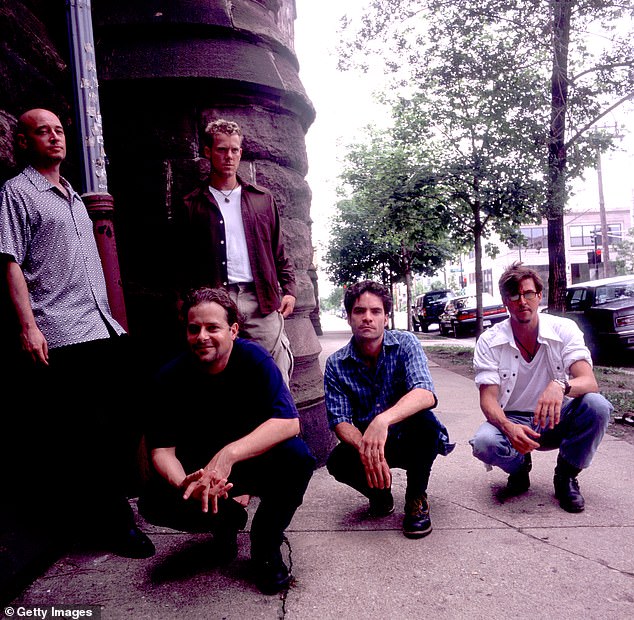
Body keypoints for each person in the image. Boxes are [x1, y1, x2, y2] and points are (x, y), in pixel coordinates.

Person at [0, 108, 155, 558]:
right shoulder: (17, 193)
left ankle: (105, 510)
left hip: (101, 324)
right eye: (42, 132)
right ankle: (111, 523)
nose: (54, 138)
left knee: (132, 412)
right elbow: (8, 260)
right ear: (24, 141)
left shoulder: (71, 195)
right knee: (84, 433)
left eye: (58, 130)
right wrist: (28, 327)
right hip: (60, 330)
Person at [139, 287, 315, 594]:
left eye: (213, 328)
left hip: (248, 463)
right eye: (194, 329)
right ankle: (225, 521)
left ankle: (265, 545)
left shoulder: (254, 359)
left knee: (297, 458)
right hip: (200, 472)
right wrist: (186, 485)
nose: (202, 336)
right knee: (153, 500)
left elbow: (288, 422)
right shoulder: (169, 377)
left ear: (233, 330)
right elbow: (161, 450)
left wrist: (229, 454)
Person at [469, 262, 612, 512]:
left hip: (557, 416)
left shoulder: (564, 329)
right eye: (514, 295)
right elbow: (488, 400)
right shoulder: (490, 341)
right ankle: (519, 467)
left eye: (528, 293)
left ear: (539, 296)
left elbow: (589, 382)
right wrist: (507, 427)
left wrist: (560, 386)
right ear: (505, 300)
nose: (522, 301)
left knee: (597, 406)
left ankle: (566, 476)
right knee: (484, 443)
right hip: (513, 417)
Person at [323, 280, 454, 539]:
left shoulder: (405, 343)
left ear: (386, 317)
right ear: (349, 317)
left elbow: (425, 393)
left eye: (375, 311)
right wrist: (367, 448)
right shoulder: (336, 364)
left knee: (426, 424)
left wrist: (382, 421)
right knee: (337, 462)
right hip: (368, 442)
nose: (367, 318)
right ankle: (380, 493)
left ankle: (416, 498)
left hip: (408, 437)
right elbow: (339, 420)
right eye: (360, 311)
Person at [172, 118, 295, 384]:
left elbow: (278, 249)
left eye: (235, 150)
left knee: (274, 371)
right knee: (219, 373)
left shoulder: (262, 199)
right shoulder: (191, 204)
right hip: (215, 300)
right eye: (221, 149)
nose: (229, 156)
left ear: (241, 152)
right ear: (208, 152)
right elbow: (180, 260)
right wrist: (183, 300)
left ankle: (285, 425)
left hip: (260, 298)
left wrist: (290, 289)